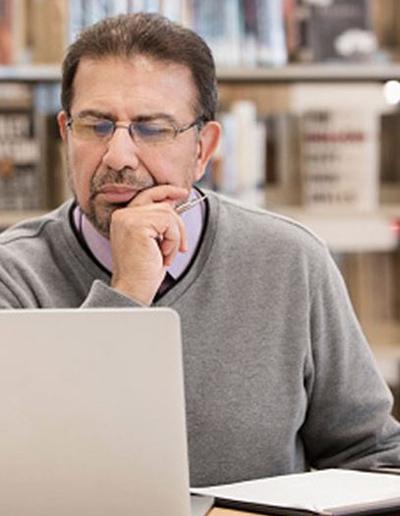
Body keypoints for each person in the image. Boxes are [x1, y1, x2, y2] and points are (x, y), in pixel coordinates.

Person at [0, 12, 399, 486]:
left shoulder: (291, 260)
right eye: (97, 126)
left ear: (203, 149)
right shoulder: (13, 274)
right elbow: (34, 472)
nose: (119, 157)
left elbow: (373, 457)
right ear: (66, 133)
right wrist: (127, 293)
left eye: (152, 128)